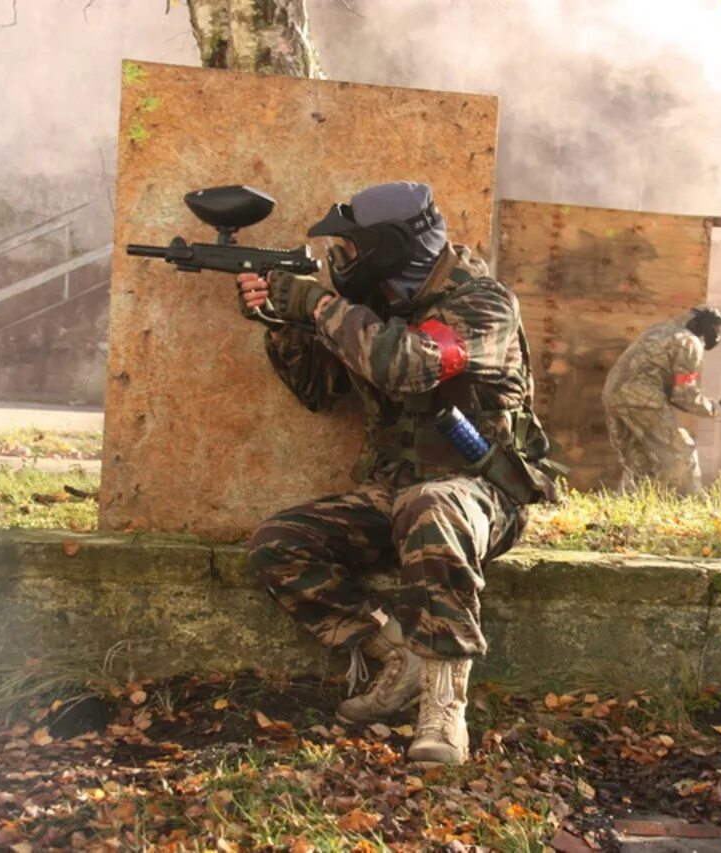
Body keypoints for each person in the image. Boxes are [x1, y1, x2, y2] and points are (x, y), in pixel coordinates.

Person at [235, 181, 557, 765]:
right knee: (279, 545)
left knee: (432, 503)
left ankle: (443, 709)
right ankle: (394, 651)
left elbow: (409, 364)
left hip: (482, 498)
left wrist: (315, 304)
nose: (342, 264)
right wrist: (278, 321)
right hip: (396, 495)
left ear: (390, 246)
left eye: (351, 250)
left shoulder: (482, 304)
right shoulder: (379, 310)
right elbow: (316, 391)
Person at [601, 306, 721, 495]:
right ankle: (690, 504)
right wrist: (715, 409)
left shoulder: (659, 330)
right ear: (707, 327)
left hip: (612, 394)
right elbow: (685, 395)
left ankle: (626, 508)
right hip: (642, 398)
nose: (717, 336)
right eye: (717, 330)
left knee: (638, 461)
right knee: (682, 450)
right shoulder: (689, 342)